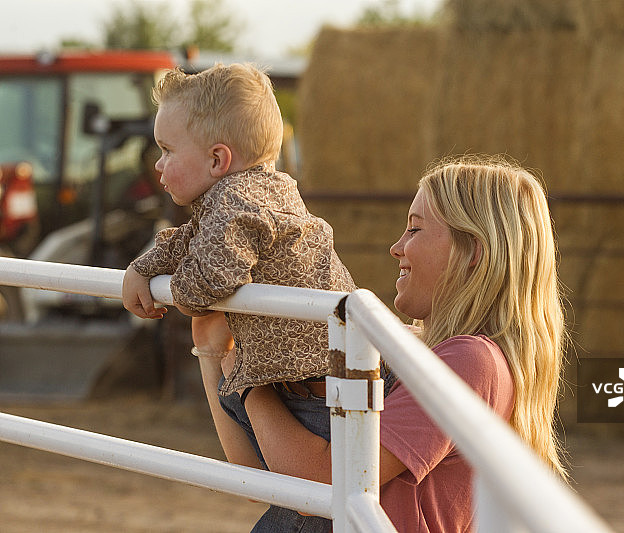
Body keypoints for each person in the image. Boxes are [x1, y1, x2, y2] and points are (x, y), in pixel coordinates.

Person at [192, 155, 568, 532]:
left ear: (472, 251)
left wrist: (251, 380)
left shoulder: (472, 361)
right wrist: (213, 355)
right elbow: (259, 479)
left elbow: (321, 481)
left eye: (415, 230)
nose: (396, 247)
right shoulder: (416, 351)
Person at [122, 64, 356, 532]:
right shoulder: (261, 191)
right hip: (298, 380)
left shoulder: (237, 204)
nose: (158, 164)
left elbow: (210, 279)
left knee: (306, 513)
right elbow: (193, 238)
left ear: (217, 160)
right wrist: (145, 266)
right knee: (284, 504)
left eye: (167, 150)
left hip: (314, 394)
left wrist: (173, 291)